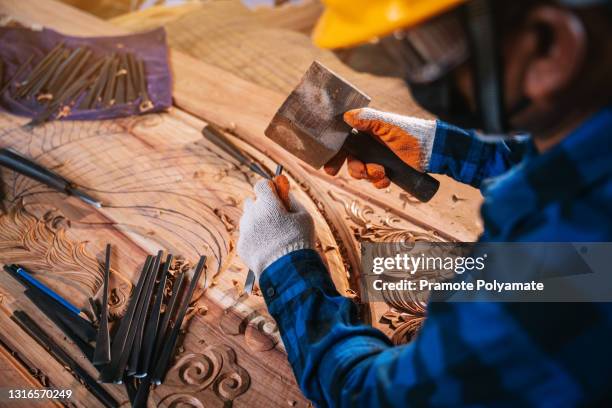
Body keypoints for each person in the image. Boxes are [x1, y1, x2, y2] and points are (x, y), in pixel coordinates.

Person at [238, 0, 612, 406]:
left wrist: (285, 263)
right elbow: (569, 159)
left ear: (549, 47)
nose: (414, 80)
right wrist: (441, 146)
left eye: (420, 53)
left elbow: (377, 396)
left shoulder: (555, 261)